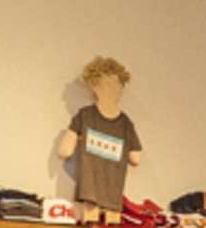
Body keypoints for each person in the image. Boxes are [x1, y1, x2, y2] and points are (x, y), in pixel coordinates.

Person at [57, 57, 143, 211]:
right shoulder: (86, 116)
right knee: (92, 219)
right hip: (98, 193)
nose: (113, 89)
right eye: (107, 85)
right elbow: (64, 151)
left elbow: (136, 159)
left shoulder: (124, 124)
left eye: (117, 85)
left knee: (105, 221)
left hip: (108, 195)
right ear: (94, 87)